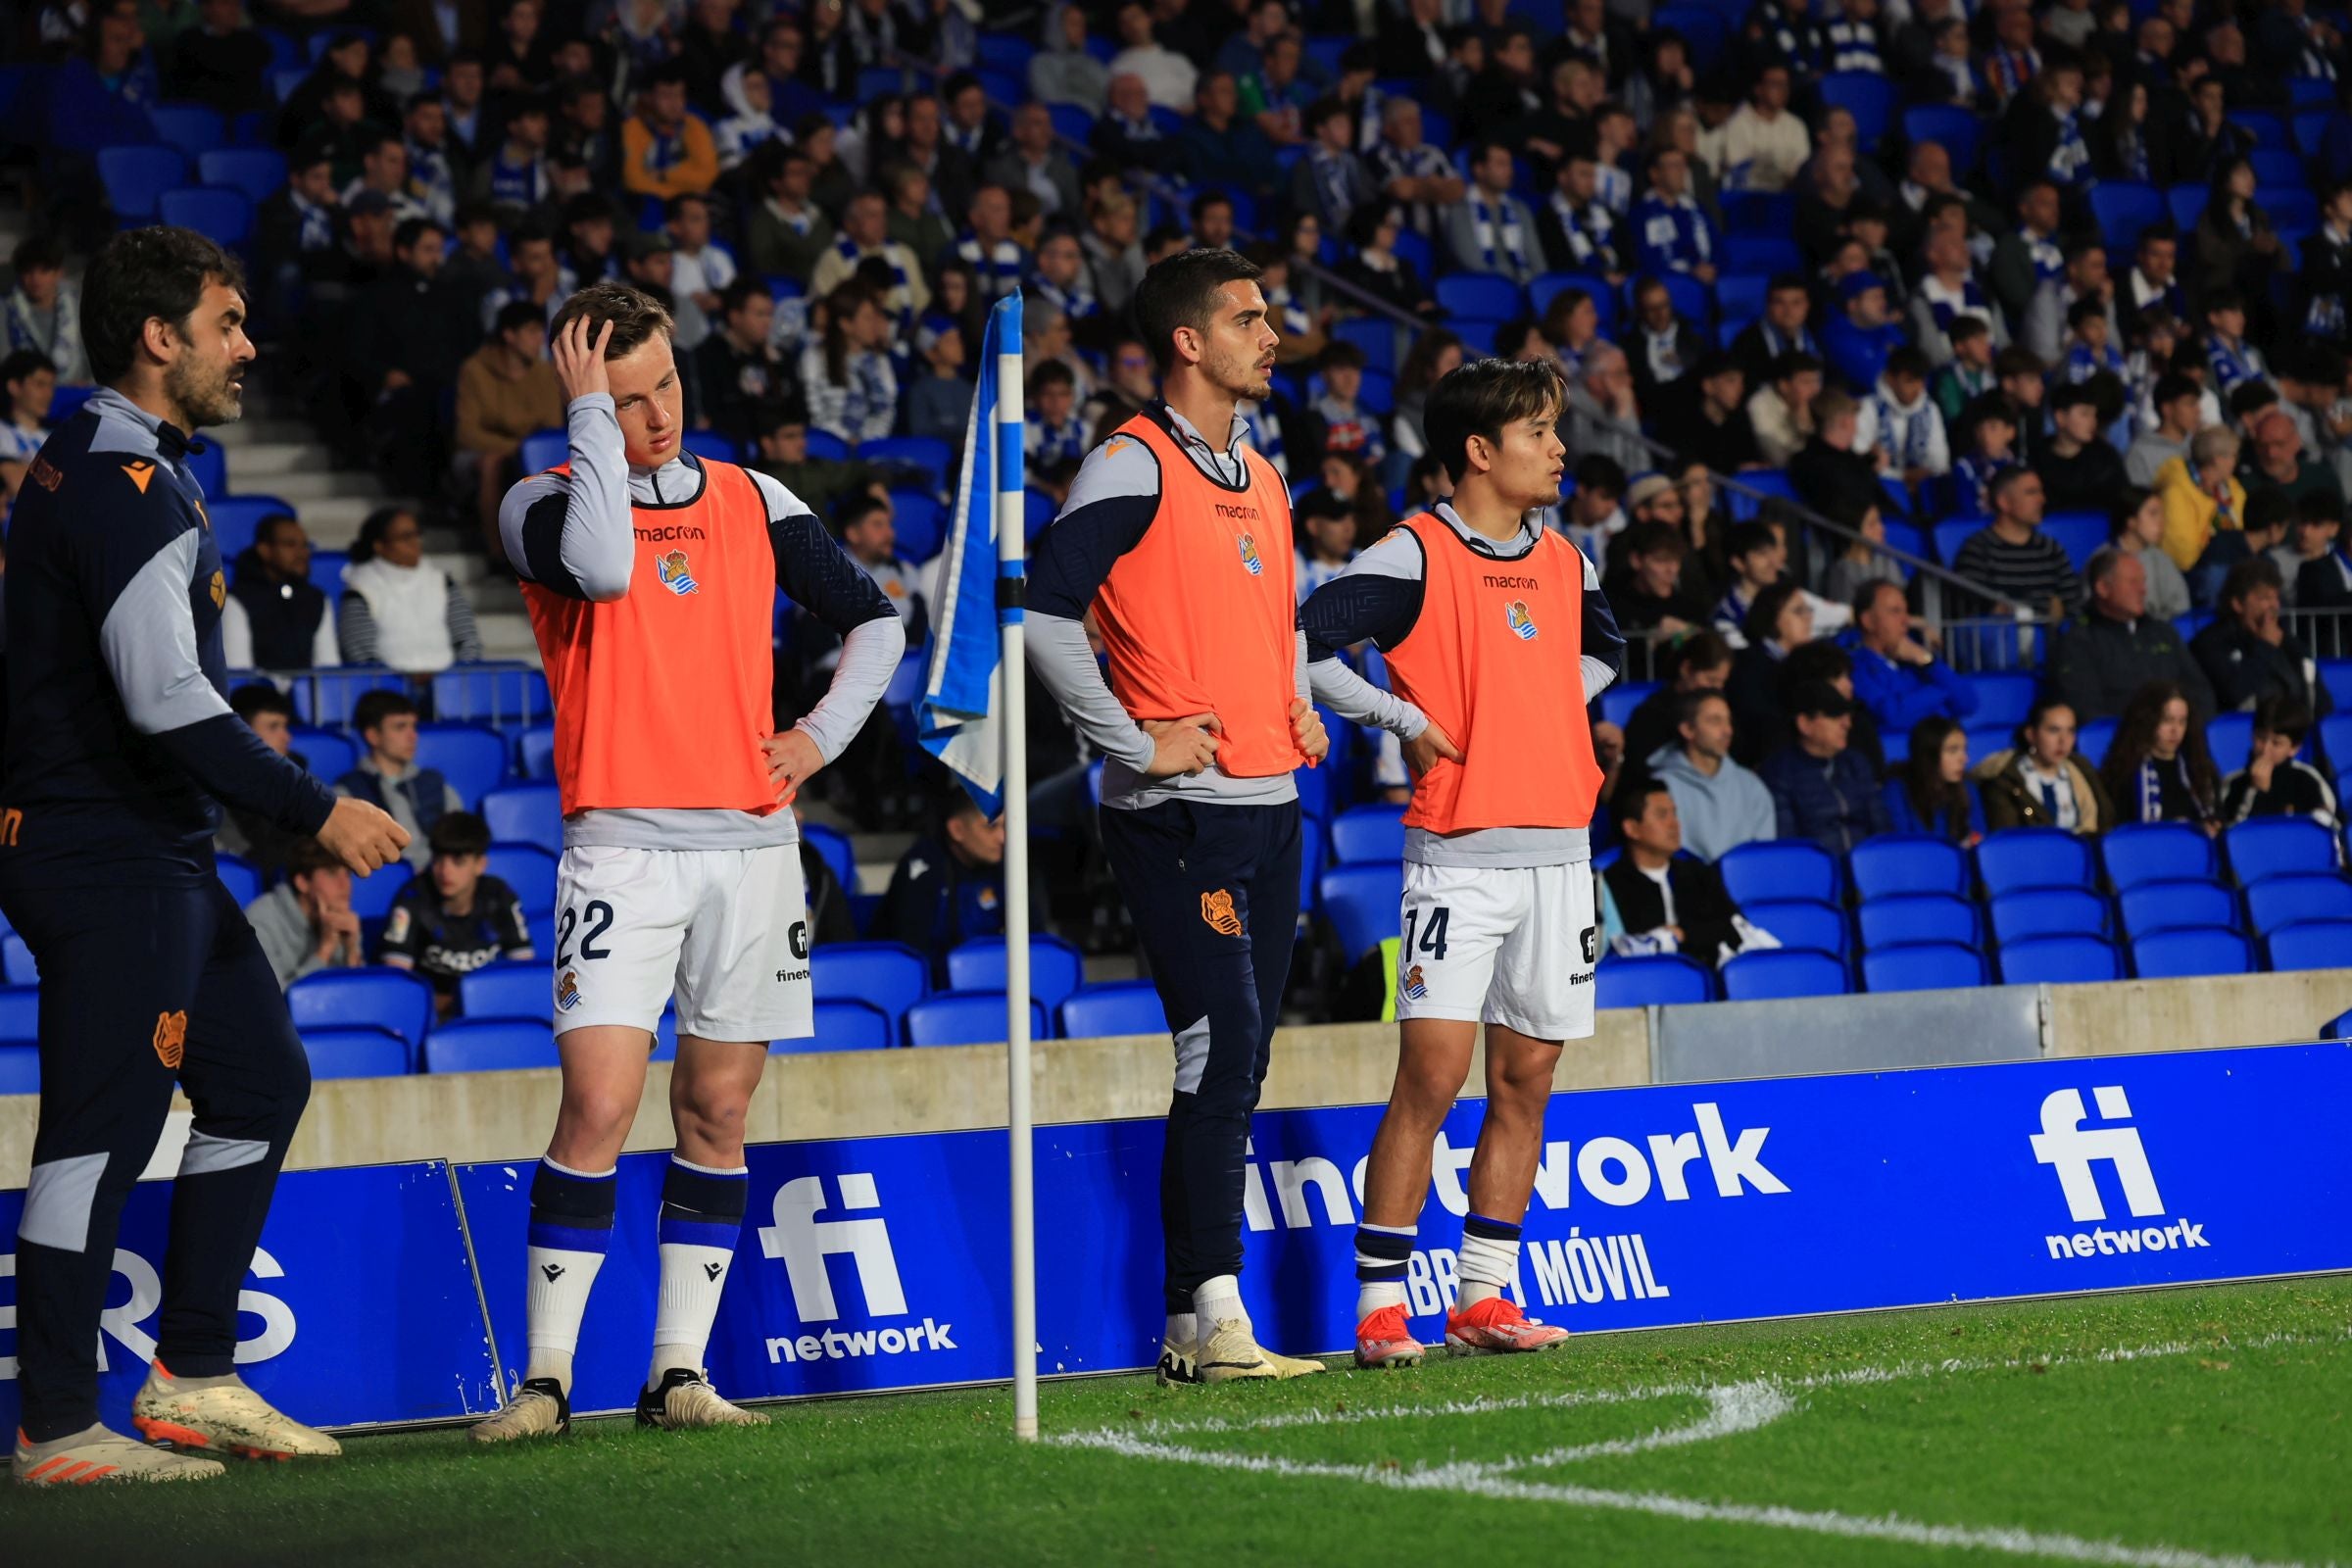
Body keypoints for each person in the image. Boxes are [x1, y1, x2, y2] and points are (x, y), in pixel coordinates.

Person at [3, 226, 408, 1485]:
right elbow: (166, 699)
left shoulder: (118, 464)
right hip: (104, 852)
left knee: (259, 1080)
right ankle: (58, 1427)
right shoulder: (122, 488)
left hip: (152, 850)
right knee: (99, 1134)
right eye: (226, 324)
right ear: (157, 337)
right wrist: (312, 810)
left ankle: (192, 1375)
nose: (248, 346)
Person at [470, 285, 904, 1443]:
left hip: (751, 849)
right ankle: (545, 1382)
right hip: (620, 847)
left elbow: (879, 621)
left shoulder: (754, 498)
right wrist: (588, 422)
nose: (655, 414)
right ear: (583, 405)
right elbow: (607, 566)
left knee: (717, 1107)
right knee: (601, 1102)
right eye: (624, 399)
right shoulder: (536, 504)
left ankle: (677, 1373)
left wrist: (816, 737)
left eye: (663, 384)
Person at [1026, 249, 1331, 1386]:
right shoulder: (1129, 463)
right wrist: (1131, 739)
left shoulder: (1263, 474)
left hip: (1272, 801)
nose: (1273, 333)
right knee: (1222, 1047)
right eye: (1249, 317)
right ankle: (1222, 1313)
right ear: (1189, 342)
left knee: (1233, 1062)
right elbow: (1045, 615)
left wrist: (1295, 698)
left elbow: (1279, 615)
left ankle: (1188, 1325)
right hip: (1176, 810)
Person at [1298, 355, 1620, 1368]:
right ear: (1479, 451)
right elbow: (1303, 644)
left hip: (1560, 852)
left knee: (1527, 1079)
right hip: (1459, 856)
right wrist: (1399, 718)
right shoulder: (1414, 552)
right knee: (1431, 1078)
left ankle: (1484, 1294)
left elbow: (1606, 651)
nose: (1559, 449)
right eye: (1539, 432)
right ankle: (1380, 1305)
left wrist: (1542, 700)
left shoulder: (1567, 559)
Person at [380, 809, 536, 1015]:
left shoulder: (500, 896)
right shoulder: (411, 898)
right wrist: (464, 1003)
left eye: (458, 861)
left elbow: (524, 975)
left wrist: (475, 1003)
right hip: (430, 1017)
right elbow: (398, 988)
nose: (445, 871)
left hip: (491, 1013)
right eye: (438, 859)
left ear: (480, 865)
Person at [1597, 775, 1763, 967]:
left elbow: (1733, 926)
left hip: (1703, 975)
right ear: (1632, 829)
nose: (1674, 824)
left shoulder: (1698, 873)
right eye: (1662, 815)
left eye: (1674, 814)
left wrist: (1682, 934)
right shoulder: (1610, 883)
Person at [338, 505, 483, 674]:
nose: (415, 543)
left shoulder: (442, 582)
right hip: (385, 687)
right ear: (379, 546)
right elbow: (360, 653)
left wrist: (454, 678)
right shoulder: (360, 589)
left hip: (448, 684)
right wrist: (398, 682)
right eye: (405, 537)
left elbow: (467, 640)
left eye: (417, 535)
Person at [2191, 555, 2334, 720]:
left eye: (2276, 597)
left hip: (2295, 729)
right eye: (2264, 598)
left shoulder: (2287, 642)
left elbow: (2319, 697)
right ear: (2237, 603)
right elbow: (2236, 694)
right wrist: (2265, 646)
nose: (2274, 605)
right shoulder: (2212, 643)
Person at [334, 690, 466, 869]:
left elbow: (461, 843)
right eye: (400, 727)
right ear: (373, 736)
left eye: (414, 726)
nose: (413, 736)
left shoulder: (437, 785)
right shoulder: (347, 793)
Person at [1759, 680, 1888, 855]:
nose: (1847, 724)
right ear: (1804, 724)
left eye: (1847, 715)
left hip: (1867, 865)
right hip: (1815, 867)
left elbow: (1882, 828)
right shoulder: (1780, 772)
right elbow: (1788, 843)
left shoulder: (1855, 763)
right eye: (1834, 716)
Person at [1648, 689, 1777, 860]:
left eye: (1728, 721)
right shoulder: (1661, 786)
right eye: (1715, 721)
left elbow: (1764, 855)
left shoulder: (1750, 784)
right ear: (1687, 730)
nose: (1727, 730)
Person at [1844, 578, 1978, 734]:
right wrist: (1941, 690)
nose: (1906, 620)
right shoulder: (1854, 667)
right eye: (1895, 611)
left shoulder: (1918, 660)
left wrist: (1928, 662)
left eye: (1906, 612)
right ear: (1868, 621)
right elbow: (1892, 715)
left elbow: (1968, 703)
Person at [1950, 468, 2082, 619]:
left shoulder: (2050, 548)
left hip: (2051, 634)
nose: (2042, 499)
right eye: (2031, 492)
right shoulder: (1978, 549)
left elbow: (2073, 608)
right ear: (2004, 502)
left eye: (2041, 492)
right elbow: (1971, 611)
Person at [1974, 697, 2113, 834]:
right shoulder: (2004, 780)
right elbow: (2009, 838)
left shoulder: (2082, 767)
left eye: (2070, 731)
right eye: (2054, 730)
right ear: (2031, 735)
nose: (2063, 740)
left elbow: (2107, 820)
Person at [244, 834, 367, 986]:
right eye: (332, 873)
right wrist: (324, 951)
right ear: (302, 882)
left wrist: (351, 953)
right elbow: (271, 997)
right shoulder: (260, 921)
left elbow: (360, 995)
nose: (345, 885)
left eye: (347, 874)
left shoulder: (341, 919)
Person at [222, 513, 339, 671]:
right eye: (290, 545)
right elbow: (239, 672)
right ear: (264, 550)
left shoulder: (318, 599)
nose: (302, 553)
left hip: (309, 687)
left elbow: (329, 670)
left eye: (305, 545)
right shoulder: (236, 601)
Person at [2100, 680, 2221, 832]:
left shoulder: (2200, 769)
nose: (2175, 730)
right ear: (2148, 721)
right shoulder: (2125, 773)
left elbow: (2218, 818)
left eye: (2182, 722)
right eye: (2167, 721)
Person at [2221, 696, 2339, 827]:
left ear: (2294, 748)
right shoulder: (2234, 783)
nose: (2265, 750)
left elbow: (2326, 828)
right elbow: (2234, 833)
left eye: (2276, 743)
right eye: (2260, 738)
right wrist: (2256, 791)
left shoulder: (2308, 780)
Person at [1622, 629, 1734, 765]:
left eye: (1722, 682)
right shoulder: (1650, 715)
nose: (1716, 689)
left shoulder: (1723, 707)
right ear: (1686, 669)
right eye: (1711, 680)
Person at [1883, 713, 1986, 843]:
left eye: (1964, 750)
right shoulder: (1897, 790)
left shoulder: (1968, 787)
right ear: (1929, 755)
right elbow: (1902, 845)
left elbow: (1978, 839)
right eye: (1953, 751)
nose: (1964, 759)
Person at [2113, 484, 2193, 622]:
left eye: (2162, 514)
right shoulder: (2103, 561)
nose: (2161, 522)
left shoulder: (2162, 559)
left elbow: (2181, 609)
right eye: (2153, 514)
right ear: (2131, 521)